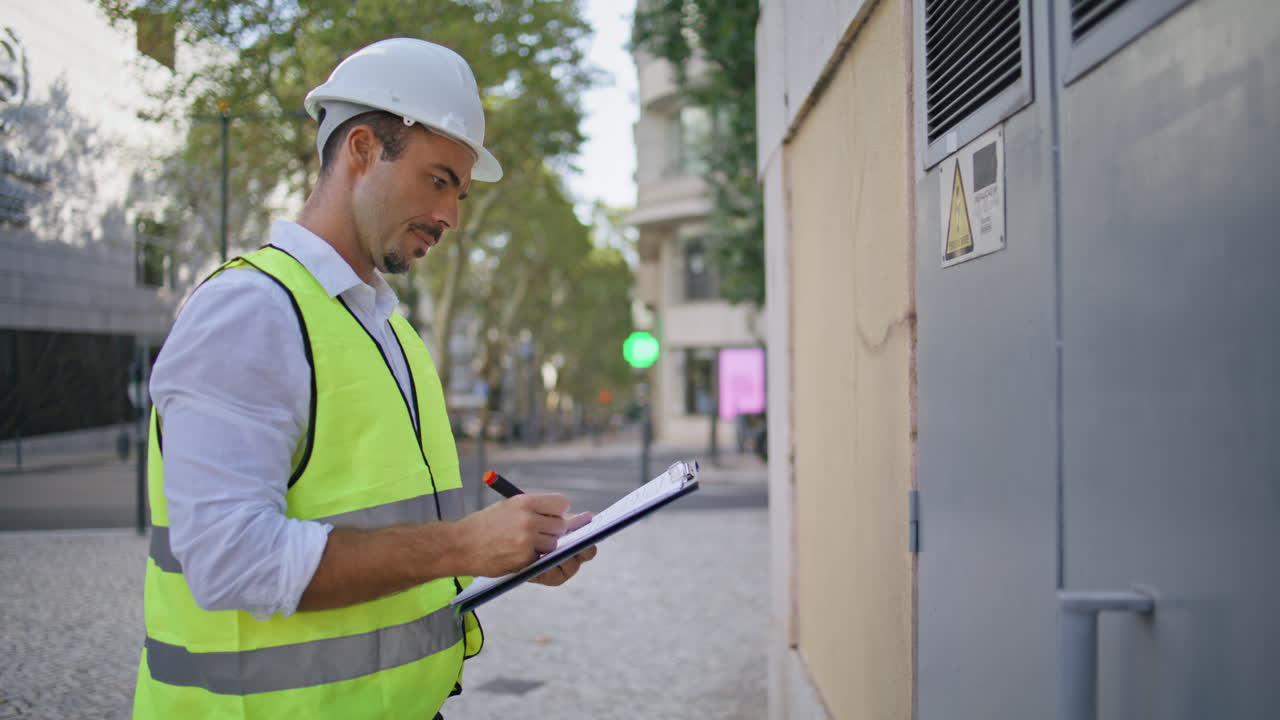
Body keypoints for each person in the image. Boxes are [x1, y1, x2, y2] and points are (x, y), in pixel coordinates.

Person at [132, 38, 596, 719]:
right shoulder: (250, 313)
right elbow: (231, 560)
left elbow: (393, 539)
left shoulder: (386, 328)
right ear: (360, 149)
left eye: (460, 193)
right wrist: (464, 542)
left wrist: (505, 549)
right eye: (438, 180)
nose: (451, 217)